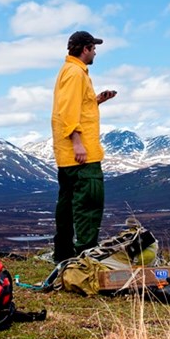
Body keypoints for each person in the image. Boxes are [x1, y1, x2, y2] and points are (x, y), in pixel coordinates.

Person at [51, 31, 117, 263]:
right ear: (85, 49)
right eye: (93, 48)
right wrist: (77, 142)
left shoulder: (68, 72)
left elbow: (74, 105)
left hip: (68, 157)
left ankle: (64, 256)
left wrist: (95, 101)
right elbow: (67, 109)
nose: (95, 52)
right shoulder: (76, 72)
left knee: (68, 206)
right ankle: (87, 258)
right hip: (82, 155)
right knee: (89, 204)